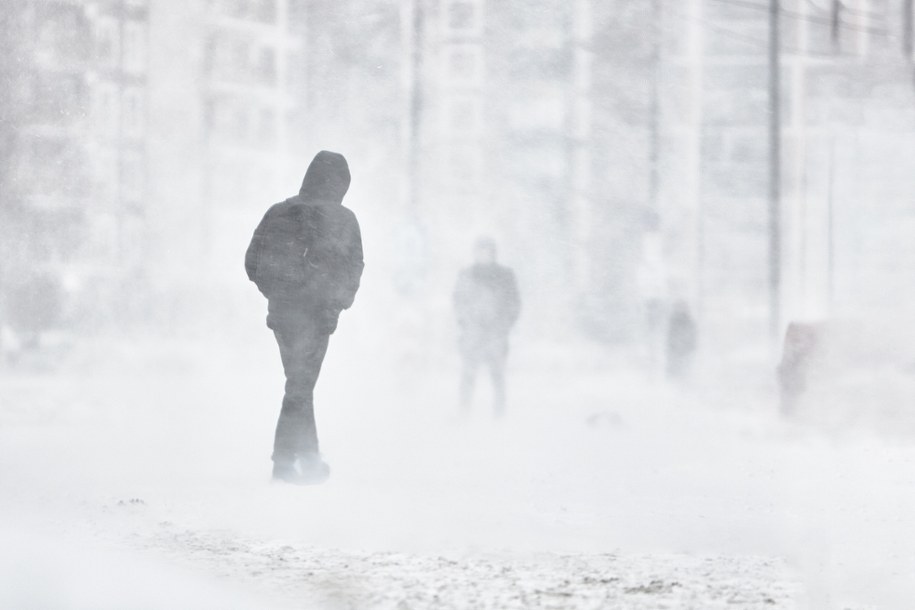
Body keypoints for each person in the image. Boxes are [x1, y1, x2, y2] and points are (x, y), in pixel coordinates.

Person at [245, 151, 364, 485]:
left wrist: (277, 292)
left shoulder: (278, 211)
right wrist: (337, 303)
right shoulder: (344, 220)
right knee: (300, 385)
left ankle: (309, 459)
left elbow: (252, 261)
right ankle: (283, 463)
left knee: (300, 384)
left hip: (283, 314)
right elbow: (354, 269)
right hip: (317, 316)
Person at [453, 237, 520, 417]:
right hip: (473, 334)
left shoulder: (505, 276)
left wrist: (505, 324)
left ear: (493, 253)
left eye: (486, 251)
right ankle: (463, 412)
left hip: (496, 334)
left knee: (497, 376)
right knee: (468, 375)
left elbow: (513, 304)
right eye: (480, 251)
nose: (483, 255)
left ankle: (499, 416)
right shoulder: (466, 275)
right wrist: (466, 323)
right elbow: (458, 302)